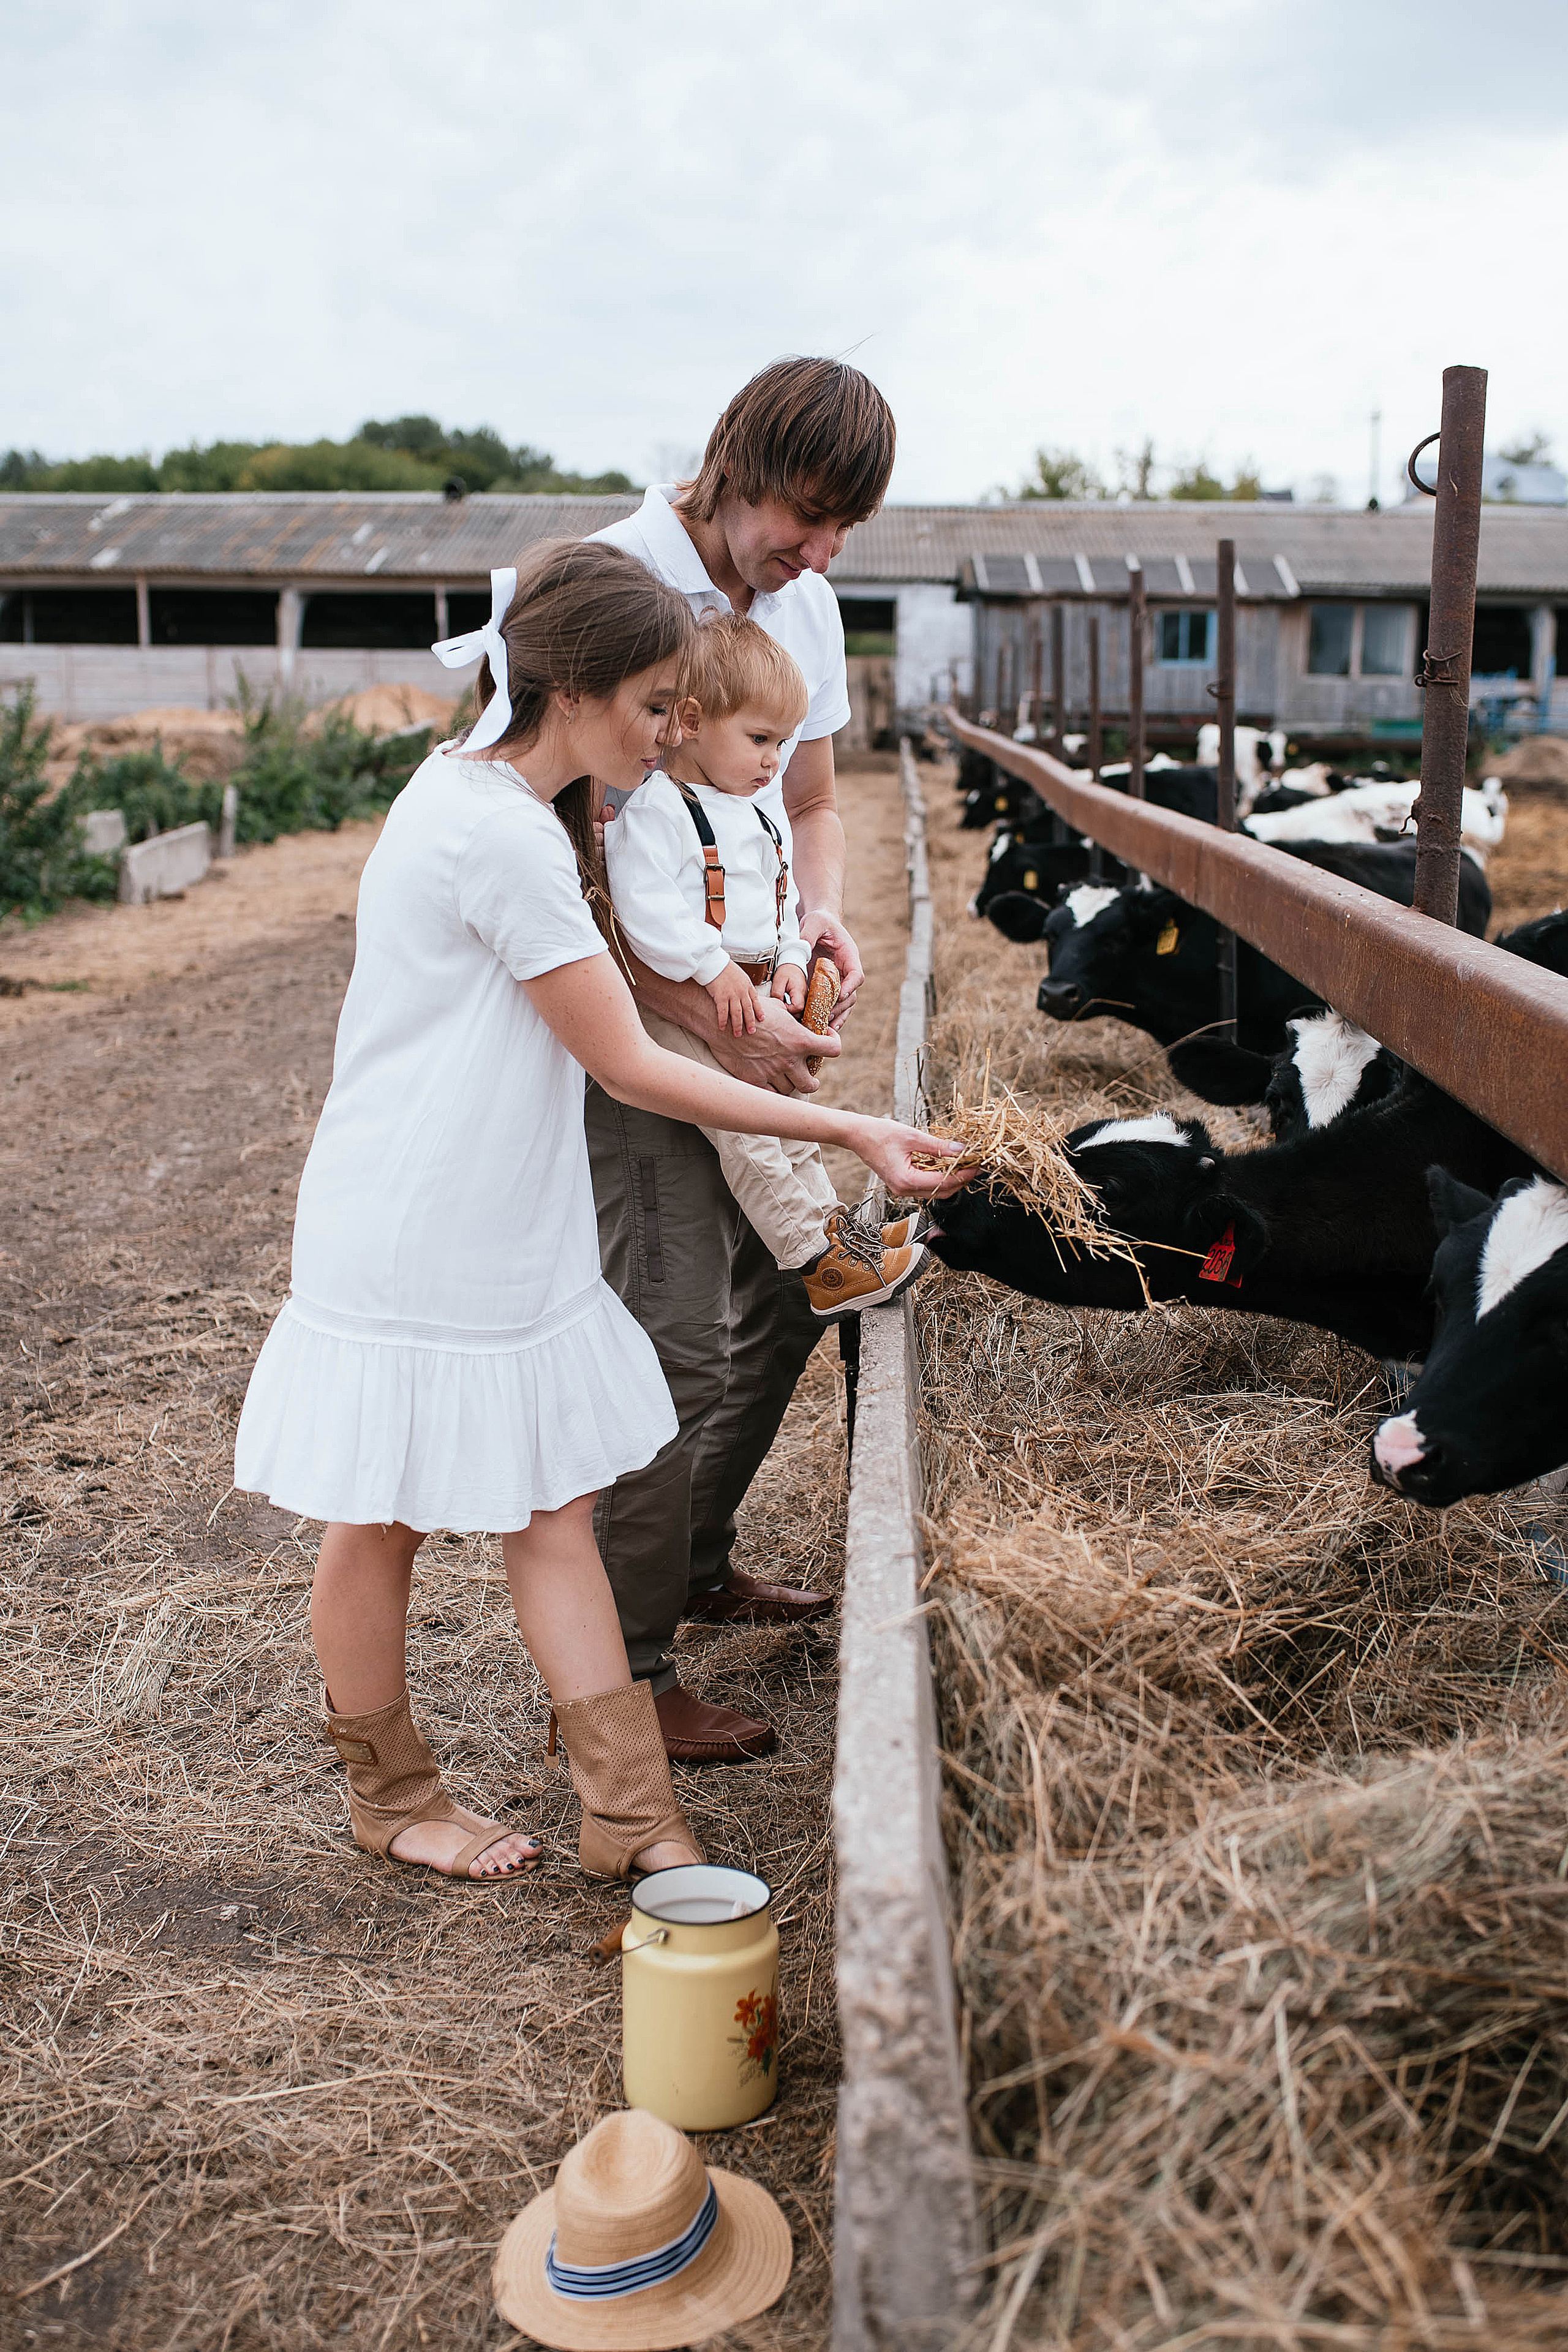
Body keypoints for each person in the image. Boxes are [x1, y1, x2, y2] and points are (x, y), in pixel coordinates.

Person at [232, 541, 957, 1883]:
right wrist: (852, 1128)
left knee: (551, 1501)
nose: (671, 733)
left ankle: (627, 1816)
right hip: (424, 1215)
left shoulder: (488, 798)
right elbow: (627, 1064)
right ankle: (395, 1800)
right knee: (384, 1512)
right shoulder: (498, 835)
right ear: (570, 690)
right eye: (654, 706)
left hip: (494, 1205)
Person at [589, 355, 897, 1762]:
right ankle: (627, 1673)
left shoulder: (805, 607)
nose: (817, 554)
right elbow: (578, 848)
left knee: (785, 1295)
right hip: (625, 1028)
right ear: (734, 462)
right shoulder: (612, 582)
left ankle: (696, 1558)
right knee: (672, 1344)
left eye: (843, 531)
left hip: (734, 1000)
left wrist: (810, 915)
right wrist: (703, 992)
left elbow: (813, 797)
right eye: (805, 514)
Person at [605, 611, 929, 1317]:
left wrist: (787, 957)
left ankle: (843, 1235)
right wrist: (710, 967)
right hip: (688, 1001)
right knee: (747, 1132)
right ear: (690, 720)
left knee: (785, 1117)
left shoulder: (753, 811)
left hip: (753, 987)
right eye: (759, 739)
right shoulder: (656, 811)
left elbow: (780, 898)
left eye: (783, 742)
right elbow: (642, 909)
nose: (774, 761)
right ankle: (815, 1262)